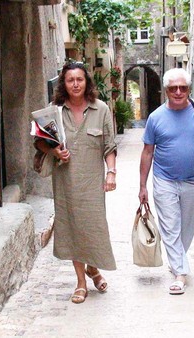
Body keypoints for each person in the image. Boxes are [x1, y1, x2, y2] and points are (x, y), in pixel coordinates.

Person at [34, 62, 117, 304]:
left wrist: (111, 172)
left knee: (92, 226)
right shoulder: (54, 111)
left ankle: (94, 268)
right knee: (72, 227)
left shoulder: (101, 109)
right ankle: (81, 281)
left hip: (92, 181)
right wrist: (56, 152)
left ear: (87, 82)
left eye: (79, 79)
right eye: (70, 80)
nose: (75, 84)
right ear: (64, 84)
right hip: (66, 181)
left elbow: (109, 146)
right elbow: (39, 142)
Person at [138, 68, 194, 295]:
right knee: (170, 227)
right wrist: (142, 186)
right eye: (173, 88)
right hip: (165, 180)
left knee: (186, 228)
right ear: (166, 90)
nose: (178, 92)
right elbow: (147, 152)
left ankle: (176, 260)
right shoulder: (156, 118)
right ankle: (180, 273)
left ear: (189, 89)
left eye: (183, 88)